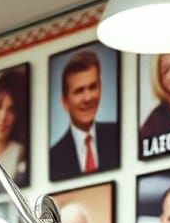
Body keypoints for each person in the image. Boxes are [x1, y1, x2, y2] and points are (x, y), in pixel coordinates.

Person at [49, 49, 120, 180]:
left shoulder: (118, 134)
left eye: (93, 87)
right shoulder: (53, 158)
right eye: (79, 91)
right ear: (64, 102)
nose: (88, 98)